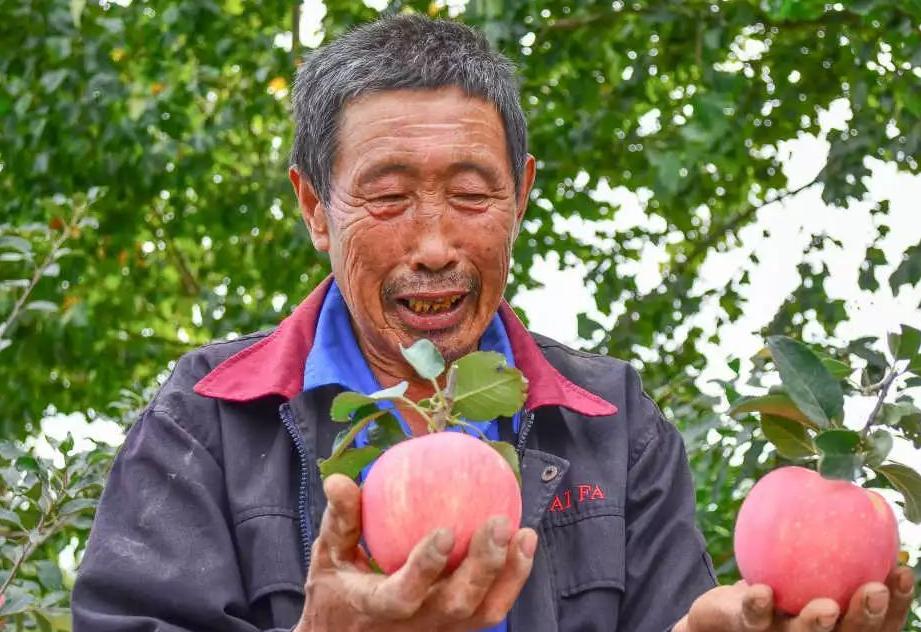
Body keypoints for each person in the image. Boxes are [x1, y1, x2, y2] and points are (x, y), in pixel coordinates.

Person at [72, 15, 914, 632]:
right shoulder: (208, 418)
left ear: (522, 195)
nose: (435, 245)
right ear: (315, 209)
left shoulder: (611, 423)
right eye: (387, 196)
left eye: (473, 195)